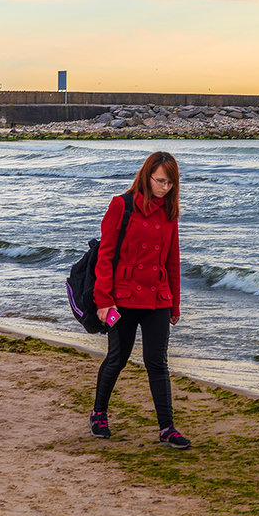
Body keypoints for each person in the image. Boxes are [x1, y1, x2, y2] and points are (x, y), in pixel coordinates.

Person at [89, 151, 190, 449]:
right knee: (117, 359)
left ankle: (166, 427)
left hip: (157, 298)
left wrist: (175, 303)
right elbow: (105, 256)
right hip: (122, 298)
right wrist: (103, 300)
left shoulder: (169, 213)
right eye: (161, 181)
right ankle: (99, 413)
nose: (165, 187)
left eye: (171, 183)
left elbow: (173, 261)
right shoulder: (122, 205)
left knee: (157, 362)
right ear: (146, 176)